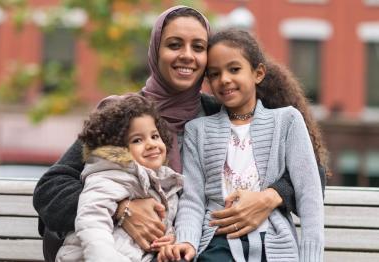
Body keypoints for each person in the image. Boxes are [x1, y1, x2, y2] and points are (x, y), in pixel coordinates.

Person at [33, 6, 325, 261]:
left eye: (198, 47)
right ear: (155, 50)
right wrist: (121, 208)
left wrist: (269, 197)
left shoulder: (218, 113)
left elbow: (313, 174)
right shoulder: (123, 115)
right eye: (174, 45)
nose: (187, 56)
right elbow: (52, 186)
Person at [158, 29, 325, 262]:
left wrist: (311, 256)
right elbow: (193, 199)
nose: (224, 79)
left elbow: (310, 194)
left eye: (234, 69)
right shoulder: (198, 130)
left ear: (258, 73)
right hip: (217, 242)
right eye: (214, 74)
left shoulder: (287, 121)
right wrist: (186, 241)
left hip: (275, 243)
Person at [55, 94, 183, 262]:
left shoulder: (165, 182)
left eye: (155, 136)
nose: (151, 144)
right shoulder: (110, 176)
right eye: (137, 140)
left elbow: (163, 221)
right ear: (117, 148)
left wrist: (168, 238)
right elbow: (91, 221)